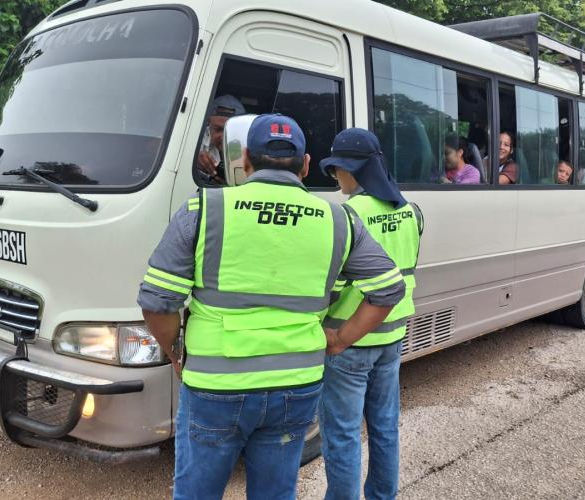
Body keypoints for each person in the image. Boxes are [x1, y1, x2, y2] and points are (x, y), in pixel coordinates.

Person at [138, 114, 405, 500]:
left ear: (245, 160)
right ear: (306, 165)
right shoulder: (339, 219)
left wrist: (175, 352)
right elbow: (389, 289)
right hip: (296, 386)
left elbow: (157, 301)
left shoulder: (205, 208)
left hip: (216, 384)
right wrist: (341, 339)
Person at [318, 128, 424, 500]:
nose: (336, 178)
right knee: (385, 427)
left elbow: (332, 286)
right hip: (393, 337)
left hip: (348, 340)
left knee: (343, 434)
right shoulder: (411, 211)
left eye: (336, 169)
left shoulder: (347, 215)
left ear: (352, 169)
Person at [196, 94, 246, 185]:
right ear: (208, 124)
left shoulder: (250, 149)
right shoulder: (194, 141)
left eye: (231, 130)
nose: (223, 137)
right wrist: (194, 161)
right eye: (218, 129)